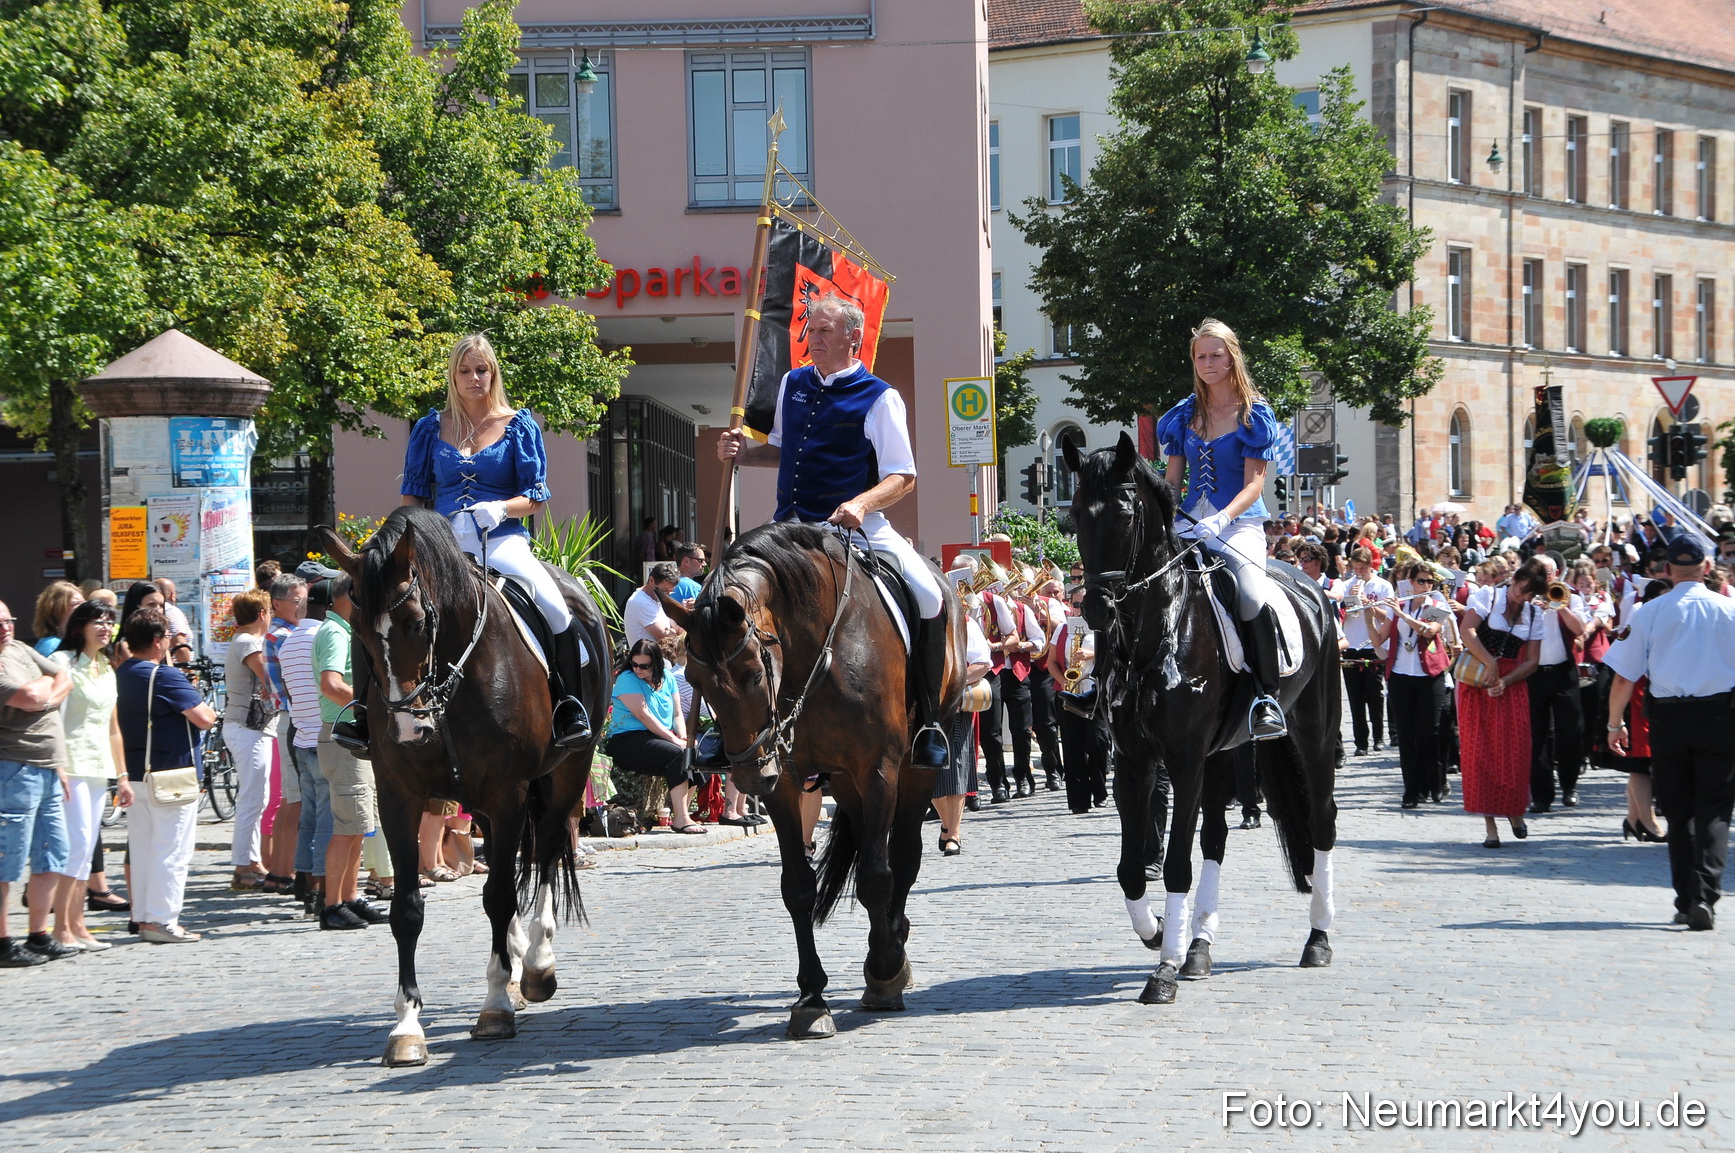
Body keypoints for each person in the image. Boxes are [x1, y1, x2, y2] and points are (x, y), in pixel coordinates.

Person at [716, 293, 951, 768]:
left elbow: (903, 476)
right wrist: (744, 452)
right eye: (810, 330)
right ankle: (726, 729)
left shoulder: (880, 397)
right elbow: (779, 451)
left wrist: (861, 503)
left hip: (852, 527)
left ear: (852, 337)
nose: (812, 339)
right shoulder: (792, 384)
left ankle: (928, 722)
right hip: (789, 530)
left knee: (930, 595)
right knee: (724, 599)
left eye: (823, 331)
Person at [393, 331, 590, 750]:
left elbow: (535, 496)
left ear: (493, 372)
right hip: (441, 543)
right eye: (464, 371)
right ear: (453, 375)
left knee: (553, 604)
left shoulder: (517, 425)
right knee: (386, 606)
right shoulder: (430, 428)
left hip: (500, 538)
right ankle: (363, 712)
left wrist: (501, 509)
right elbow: (413, 492)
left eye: (481, 369)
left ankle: (570, 705)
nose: (473, 378)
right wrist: (413, 531)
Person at [1154, 318, 1286, 739]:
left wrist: (1222, 518)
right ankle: (1108, 685)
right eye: (1200, 356)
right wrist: (1164, 516)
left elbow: (1254, 484)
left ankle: (1267, 697)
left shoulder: (1254, 414)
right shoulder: (1182, 414)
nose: (1208, 362)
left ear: (1231, 358)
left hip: (1239, 523)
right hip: (1188, 520)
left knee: (1250, 595)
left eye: (1215, 354)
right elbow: (1173, 480)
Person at [1606, 536, 1735, 931]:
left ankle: (1686, 897)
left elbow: (1624, 676)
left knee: (1678, 813)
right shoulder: (1730, 609)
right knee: (1714, 811)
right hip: (1720, 717)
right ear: (1707, 568)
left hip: (1670, 720)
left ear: (1666, 571)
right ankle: (1705, 895)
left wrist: (1615, 724)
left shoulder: (1650, 612)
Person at [116, 609, 216, 943]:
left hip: (132, 773)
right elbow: (203, 718)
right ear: (159, 641)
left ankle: (144, 917)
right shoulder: (164, 676)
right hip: (170, 774)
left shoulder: (122, 672)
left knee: (143, 849)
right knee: (172, 849)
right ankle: (163, 920)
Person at [48, 601, 130, 952]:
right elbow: (49, 717)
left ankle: (77, 924)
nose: (105, 628)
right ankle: (59, 928)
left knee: (85, 849)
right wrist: (57, 765)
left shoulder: (106, 667)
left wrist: (123, 776)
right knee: (77, 844)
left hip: (99, 768)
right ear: (79, 624)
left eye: (110, 622)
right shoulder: (62, 662)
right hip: (69, 764)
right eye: (98, 621)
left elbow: (113, 729)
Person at [0, 599, 75, 965]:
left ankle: (38, 936)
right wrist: (42, 690)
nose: (5, 628)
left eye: (8, 620)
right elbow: (28, 695)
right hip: (14, 767)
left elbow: (65, 678)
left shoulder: (19, 649)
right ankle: (2, 943)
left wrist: (43, 693)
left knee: (52, 854)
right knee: (7, 860)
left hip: (48, 766)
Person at [312, 575, 385, 931]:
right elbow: (331, 684)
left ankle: (351, 897)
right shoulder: (336, 633)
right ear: (348, 598)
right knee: (347, 827)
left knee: (358, 826)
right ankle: (331, 906)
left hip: (350, 736)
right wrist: (369, 706)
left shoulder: (344, 630)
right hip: (342, 736)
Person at [1457, 563, 1546, 848]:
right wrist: (1490, 662)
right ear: (1514, 581)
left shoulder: (1534, 613)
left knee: (1515, 751)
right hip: (1478, 678)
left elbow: (1533, 660)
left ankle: (1514, 810)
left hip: (1512, 683)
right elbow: (1467, 630)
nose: (1523, 598)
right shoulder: (1488, 597)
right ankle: (1490, 826)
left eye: (1530, 595)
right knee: (1480, 751)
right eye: (1522, 591)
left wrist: (1506, 680)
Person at [1372, 566, 1453, 808]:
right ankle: (1412, 791)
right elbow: (1379, 640)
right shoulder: (1399, 606)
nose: (1426, 585)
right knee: (1407, 736)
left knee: (1429, 732)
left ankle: (1435, 782)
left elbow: (1428, 631)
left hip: (1430, 676)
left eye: (1430, 581)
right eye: (1421, 581)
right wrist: (1367, 614)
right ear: (1411, 582)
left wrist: (1402, 615)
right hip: (1400, 677)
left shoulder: (1438, 605)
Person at [603, 640, 704, 833]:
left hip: (655, 737)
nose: (638, 669)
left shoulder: (667, 677)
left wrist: (684, 739)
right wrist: (675, 741)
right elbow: (643, 716)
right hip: (627, 739)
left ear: (656, 663)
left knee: (692, 751)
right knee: (677, 753)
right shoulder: (627, 678)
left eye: (644, 666)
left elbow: (676, 714)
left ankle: (681, 815)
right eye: (634, 664)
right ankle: (682, 818)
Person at [222, 589, 278, 892]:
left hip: (254, 729)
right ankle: (243, 865)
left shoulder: (248, 640)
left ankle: (252, 860)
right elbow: (269, 677)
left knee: (258, 799)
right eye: (269, 611)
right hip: (246, 728)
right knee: (251, 801)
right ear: (262, 614)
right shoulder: (246, 641)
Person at [1338, 547, 1393, 755]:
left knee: (1375, 695)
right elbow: (1342, 617)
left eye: (1362, 569)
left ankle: (1378, 737)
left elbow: (1387, 618)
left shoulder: (1383, 586)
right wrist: (1349, 603)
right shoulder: (1346, 585)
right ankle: (1361, 743)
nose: (1358, 573)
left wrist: (1368, 604)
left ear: (1370, 566)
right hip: (1352, 645)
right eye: (1355, 568)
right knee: (1355, 697)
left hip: (1374, 645)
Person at [624, 562, 682, 648]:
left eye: (670, 591)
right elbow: (666, 637)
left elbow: (678, 628)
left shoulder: (657, 598)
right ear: (651, 580)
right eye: (664, 590)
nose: (667, 595)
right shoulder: (641, 602)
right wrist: (673, 630)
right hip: (648, 660)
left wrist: (673, 630)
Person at [31, 581, 83, 657]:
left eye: (84, 602)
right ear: (58, 610)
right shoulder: (51, 644)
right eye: (76, 603)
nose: (83, 606)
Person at [153, 579, 194, 658]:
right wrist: (188, 669)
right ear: (172, 595)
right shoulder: (171, 611)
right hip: (176, 666)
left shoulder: (153, 610)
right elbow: (179, 645)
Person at [671, 542, 707, 608]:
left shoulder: (667, 584)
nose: (704, 564)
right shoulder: (692, 587)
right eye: (700, 560)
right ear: (686, 561)